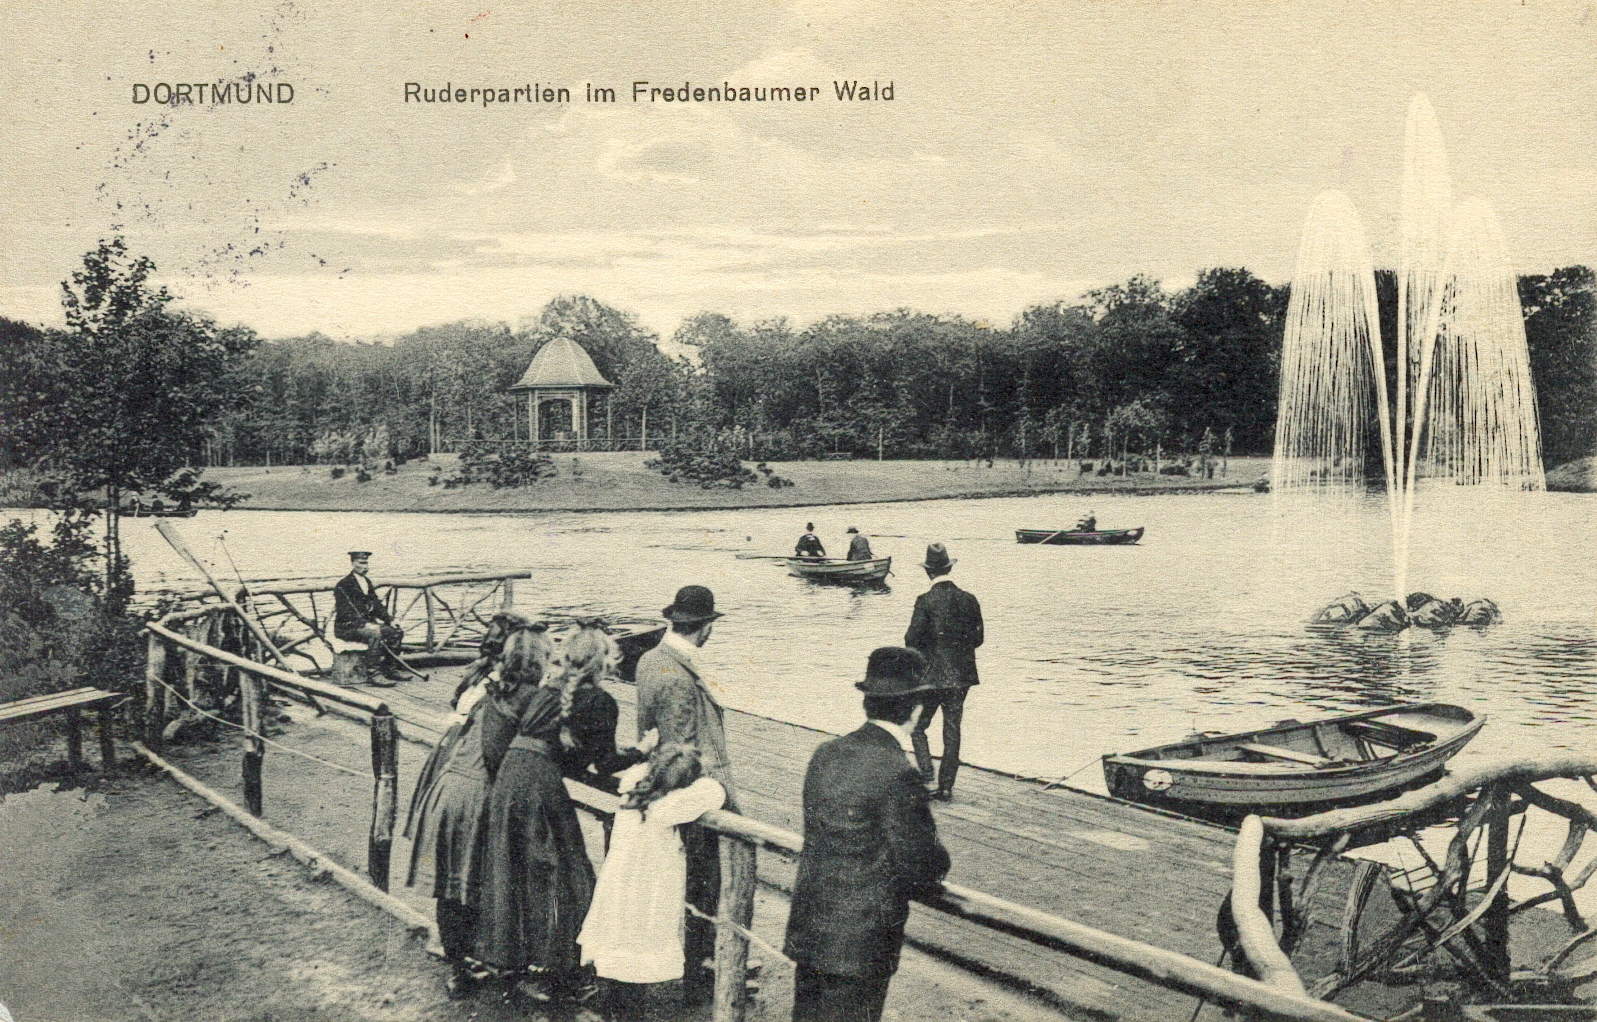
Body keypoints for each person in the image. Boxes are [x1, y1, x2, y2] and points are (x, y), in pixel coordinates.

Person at [784, 647, 950, 1022]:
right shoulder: (899, 772)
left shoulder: (826, 753)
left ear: (868, 702)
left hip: (811, 930)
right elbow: (922, 863)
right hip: (861, 946)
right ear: (916, 709)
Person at [476, 622, 596, 1003]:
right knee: (558, 875)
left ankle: (513, 960)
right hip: (536, 786)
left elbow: (493, 753)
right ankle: (555, 969)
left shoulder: (498, 694)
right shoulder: (535, 696)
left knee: (513, 878)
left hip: (506, 787)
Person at [633, 585, 735, 1002]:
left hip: (660, 778)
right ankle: (698, 975)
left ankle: (697, 966)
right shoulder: (679, 676)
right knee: (703, 884)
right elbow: (682, 750)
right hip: (693, 793)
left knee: (693, 885)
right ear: (706, 627)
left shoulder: (650, 658)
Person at [579, 744, 726, 1021]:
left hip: (617, 888)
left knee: (616, 958)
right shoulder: (669, 808)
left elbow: (637, 773)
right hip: (644, 894)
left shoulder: (633, 794)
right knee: (634, 959)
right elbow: (715, 792)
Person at [403, 658, 495, 997]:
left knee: (452, 881)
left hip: (449, 773)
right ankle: (471, 958)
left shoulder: (481, 684)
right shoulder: (499, 697)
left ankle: (459, 962)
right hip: (471, 785)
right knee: (469, 877)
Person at [904, 543, 983, 801]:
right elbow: (978, 639)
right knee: (952, 731)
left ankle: (927, 777)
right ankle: (947, 787)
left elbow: (911, 639)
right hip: (961, 677)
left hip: (932, 677)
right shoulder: (969, 599)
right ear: (949, 568)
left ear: (928, 572)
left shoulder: (924, 601)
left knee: (917, 726)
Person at [555, 620, 648, 796]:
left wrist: (611, 746)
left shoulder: (549, 689)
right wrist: (642, 750)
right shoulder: (600, 701)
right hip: (552, 786)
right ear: (605, 661)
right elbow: (605, 764)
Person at [333, 550, 406, 681]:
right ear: (353, 563)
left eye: (366, 563)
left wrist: (389, 620)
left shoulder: (366, 582)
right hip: (346, 628)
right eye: (361, 563)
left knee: (395, 632)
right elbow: (346, 611)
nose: (365, 567)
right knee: (375, 633)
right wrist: (363, 624)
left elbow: (376, 605)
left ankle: (390, 669)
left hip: (367, 625)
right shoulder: (343, 585)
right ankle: (374, 673)